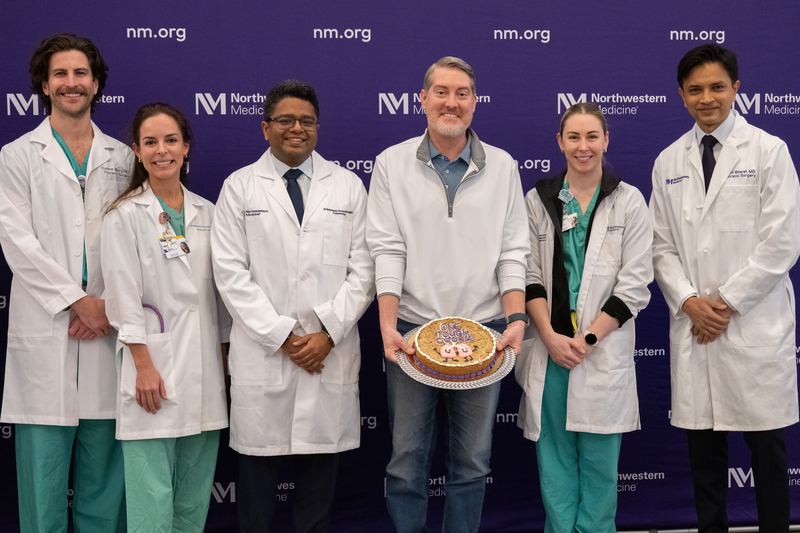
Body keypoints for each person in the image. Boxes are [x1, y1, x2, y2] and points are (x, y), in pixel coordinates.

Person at [366, 56, 529, 533]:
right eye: (441, 92)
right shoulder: (392, 164)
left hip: (487, 334)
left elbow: (513, 254)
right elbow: (387, 249)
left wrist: (516, 319)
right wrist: (388, 325)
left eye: (462, 93)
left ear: (475, 103)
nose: (451, 102)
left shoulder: (502, 166)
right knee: (406, 460)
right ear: (422, 99)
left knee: (473, 463)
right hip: (414, 333)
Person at [211, 79, 374, 533]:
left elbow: (365, 270)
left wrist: (327, 333)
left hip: (329, 353)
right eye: (285, 120)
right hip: (266, 355)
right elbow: (229, 272)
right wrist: (283, 335)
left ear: (318, 127)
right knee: (257, 491)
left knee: (317, 494)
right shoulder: (240, 187)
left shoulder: (346, 187)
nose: (296, 128)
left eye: (306, 120)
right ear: (265, 128)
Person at [649, 43, 800, 532]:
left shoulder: (768, 151)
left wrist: (726, 303)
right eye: (695, 90)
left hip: (752, 324)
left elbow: (782, 242)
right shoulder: (669, 161)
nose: (706, 98)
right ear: (681, 95)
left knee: (767, 452)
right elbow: (660, 246)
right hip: (697, 328)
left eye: (717, 87)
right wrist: (691, 302)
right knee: (705, 458)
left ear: (736, 88)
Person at [0, 33, 131, 533]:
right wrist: (79, 302)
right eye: (60, 74)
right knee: (43, 480)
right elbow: (18, 243)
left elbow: (136, 245)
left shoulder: (123, 157)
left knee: (105, 479)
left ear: (96, 84)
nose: (71, 83)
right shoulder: (17, 156)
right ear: (44, 83)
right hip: (51, 328)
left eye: (80, 74)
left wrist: (107, 307)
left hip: (106, 331)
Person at [516, 102, 653, 532]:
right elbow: (529, 274)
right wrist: (551, 336)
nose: (583, 146)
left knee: (599, 463)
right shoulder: (537, 200)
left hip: (600, 348)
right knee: (554, 461)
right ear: (560, 142)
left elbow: (635, 284)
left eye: (592, 136)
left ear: (606, 140)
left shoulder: (628, 201)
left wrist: (588, 339)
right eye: (573, 137)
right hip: (551, 348)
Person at [100, 102, 229, 532]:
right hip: (152, 370)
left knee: (192, 502)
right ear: (136, 151)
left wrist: (226, 358)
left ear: (186, 147)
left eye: (171, 140)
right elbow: (121, 296)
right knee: (151, 499)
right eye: (150, 142)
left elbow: (221, 296)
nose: (162, 151)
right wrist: (142, 365)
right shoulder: (124, 216)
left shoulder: (208, 214)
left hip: (204, 372)